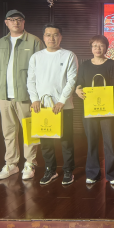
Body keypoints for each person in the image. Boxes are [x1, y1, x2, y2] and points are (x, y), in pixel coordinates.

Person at [27, 24, 78, 186]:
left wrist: (62, 100)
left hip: (63, 106)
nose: (52, 38)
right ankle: (50, 170)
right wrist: (34, 99)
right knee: (46, 141)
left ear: (60, 37)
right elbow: (31, 80)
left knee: (66, 140)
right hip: (42, 106)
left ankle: (68, 170)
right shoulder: (36, 57)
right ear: (43, 37)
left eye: (55, 35)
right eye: (48, 35)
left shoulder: (69, 55)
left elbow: (72, 80)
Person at [0, 10, 43, 181]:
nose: (15, 22)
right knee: (8, 131)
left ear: (24, 22)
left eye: (19, 19)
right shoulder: (0, 42)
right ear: (6, 22)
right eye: (11, 19)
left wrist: (36, 96)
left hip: (26, 95)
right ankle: (11, 163)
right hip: (4, 95)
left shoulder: (34, 41)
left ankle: (30, 162)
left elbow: (40, 70)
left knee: (29, 130)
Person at [76, 35, 114, 185]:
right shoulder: (85, 65)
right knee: (92, 141)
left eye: (101, 45)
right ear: (91, 48)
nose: (98, 48)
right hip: (90, 108)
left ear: (106, 48)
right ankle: (92, 173)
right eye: (95, 45)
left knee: (109, 141)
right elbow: (80, 82)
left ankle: (113, 174)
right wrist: (77, 89)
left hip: (107, 108)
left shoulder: (111, 64)